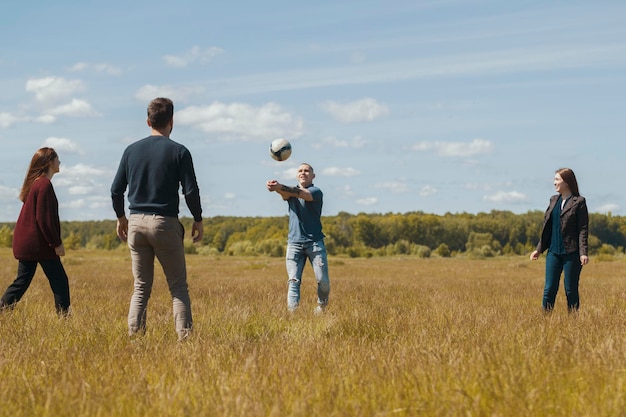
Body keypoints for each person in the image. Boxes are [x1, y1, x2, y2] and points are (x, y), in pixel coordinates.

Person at [111, 97, 203, 341]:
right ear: (172, 121)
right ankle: (185, 340)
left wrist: (121, 218)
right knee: (178, 288)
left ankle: (135, 340)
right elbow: (191, 191)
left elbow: (115, 190)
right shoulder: (179, 151)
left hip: (136, 223)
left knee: (141, 288)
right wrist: (198, 219)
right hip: (164, 223)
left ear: (147, 121)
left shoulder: (130, 150)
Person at [0, 147, 71, 316]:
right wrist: (56, 244)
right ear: (49, 163)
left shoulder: (37, 183)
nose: (59, 162)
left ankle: (2, 310)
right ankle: (65, 320)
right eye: (57, 159)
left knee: (21, 282)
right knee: (60, 281)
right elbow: (45, 219)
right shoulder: (44, 185)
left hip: (28, 244)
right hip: (38, 245)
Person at [266, 163, 330, 313]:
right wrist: (275, 187)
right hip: (294, 243)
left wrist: (280, 186)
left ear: (313, 176)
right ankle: (292, 314)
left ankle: (321, 307)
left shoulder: (316, 191)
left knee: (323, 281)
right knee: (293, 280)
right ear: (297, 175)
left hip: (315, 243)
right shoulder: (291, 195)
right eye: (300, 171)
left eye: (307, 171)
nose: (303, 173)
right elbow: (285, 194)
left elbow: (303, 194)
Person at [530, 168, 589, 312]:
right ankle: (545, 320)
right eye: (554, 179)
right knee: (549, 289)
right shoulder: (553, 200)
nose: (554, 182)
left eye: (557, 180)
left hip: (572, 253)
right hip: (553, 252)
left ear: (567, 182)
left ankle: (573, 322)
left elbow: (583, 229)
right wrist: (539, 249)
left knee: (570, 290)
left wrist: (583, 252)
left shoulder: (579, 202)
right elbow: (547, 228)